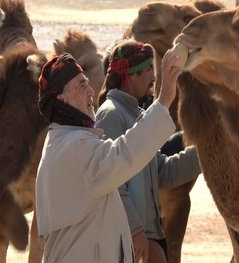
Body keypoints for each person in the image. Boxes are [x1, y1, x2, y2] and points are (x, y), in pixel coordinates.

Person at [35, 51, 183, 263]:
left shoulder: (66, 141)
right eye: (81, 86)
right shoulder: (73, 147)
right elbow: (122, 156)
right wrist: (164, 100)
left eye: (87, 83)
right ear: (62, 98)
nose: (91, 91)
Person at [95, 40, 201, 263]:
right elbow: (111, 184)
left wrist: (206, 153)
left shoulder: (136, 114)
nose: (153, 79)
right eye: (147, 71)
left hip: (147, 237)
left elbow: (162, 172)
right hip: (127, 240)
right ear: (129, 75)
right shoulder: (112, 115)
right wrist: (134, 231)